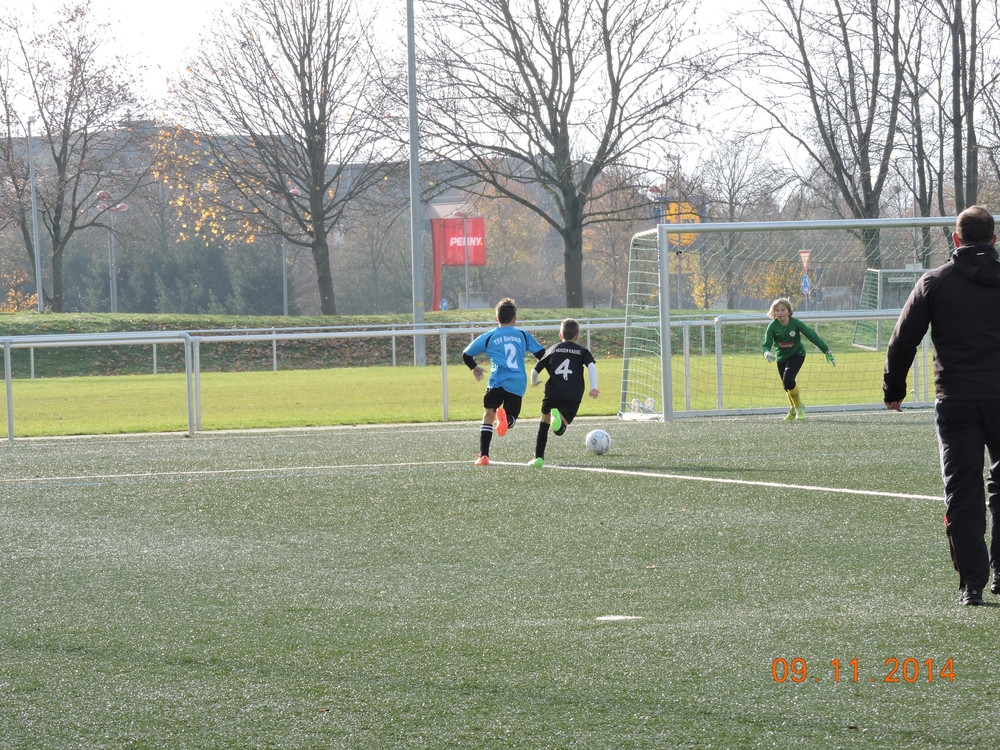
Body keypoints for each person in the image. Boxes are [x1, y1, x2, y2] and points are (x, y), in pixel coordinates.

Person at [883, 205, 1000, 606]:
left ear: (955, 239)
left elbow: (903, 339)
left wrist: (894, 388)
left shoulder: (935, 282)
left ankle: (972, 585)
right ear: (994, 239)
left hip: (957, 400)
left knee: (962, 492)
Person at [462, 297, 546, 466]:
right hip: (517, 383)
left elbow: (466, 354)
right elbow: (543, 355)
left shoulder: (490, 336)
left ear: (496, 318)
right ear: (514, 319)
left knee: (488, 414)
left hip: (497, 382)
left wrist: (475, 368)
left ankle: (484, 456)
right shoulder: (523, 335)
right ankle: (506, 420)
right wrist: (537, 372)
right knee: (511, 418)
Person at [528, 318, 600, 467]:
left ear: (560, 335)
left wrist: (534, 381)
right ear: (577, 336)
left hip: (553, 391)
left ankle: (538, 458)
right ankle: (559, 421)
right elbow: (591, 366)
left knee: (544, 422)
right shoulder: (581, 351)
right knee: (560, 429)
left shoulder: (552, 349)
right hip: (573, 393)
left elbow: (534, 370)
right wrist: (594, 387)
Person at [761, 297, 836, 420]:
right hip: (781, 357)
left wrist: (826, 351)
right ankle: (792, 409)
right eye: (777, 310)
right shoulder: (772, 327)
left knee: (788, 380)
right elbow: (766, 345)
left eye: (783, 310)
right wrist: (766, 353)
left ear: (789, 311)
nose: (780, 313)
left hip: (797, 354)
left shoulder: (795, 323)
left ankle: (799, 407)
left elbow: (812, 335)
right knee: (786, 386)